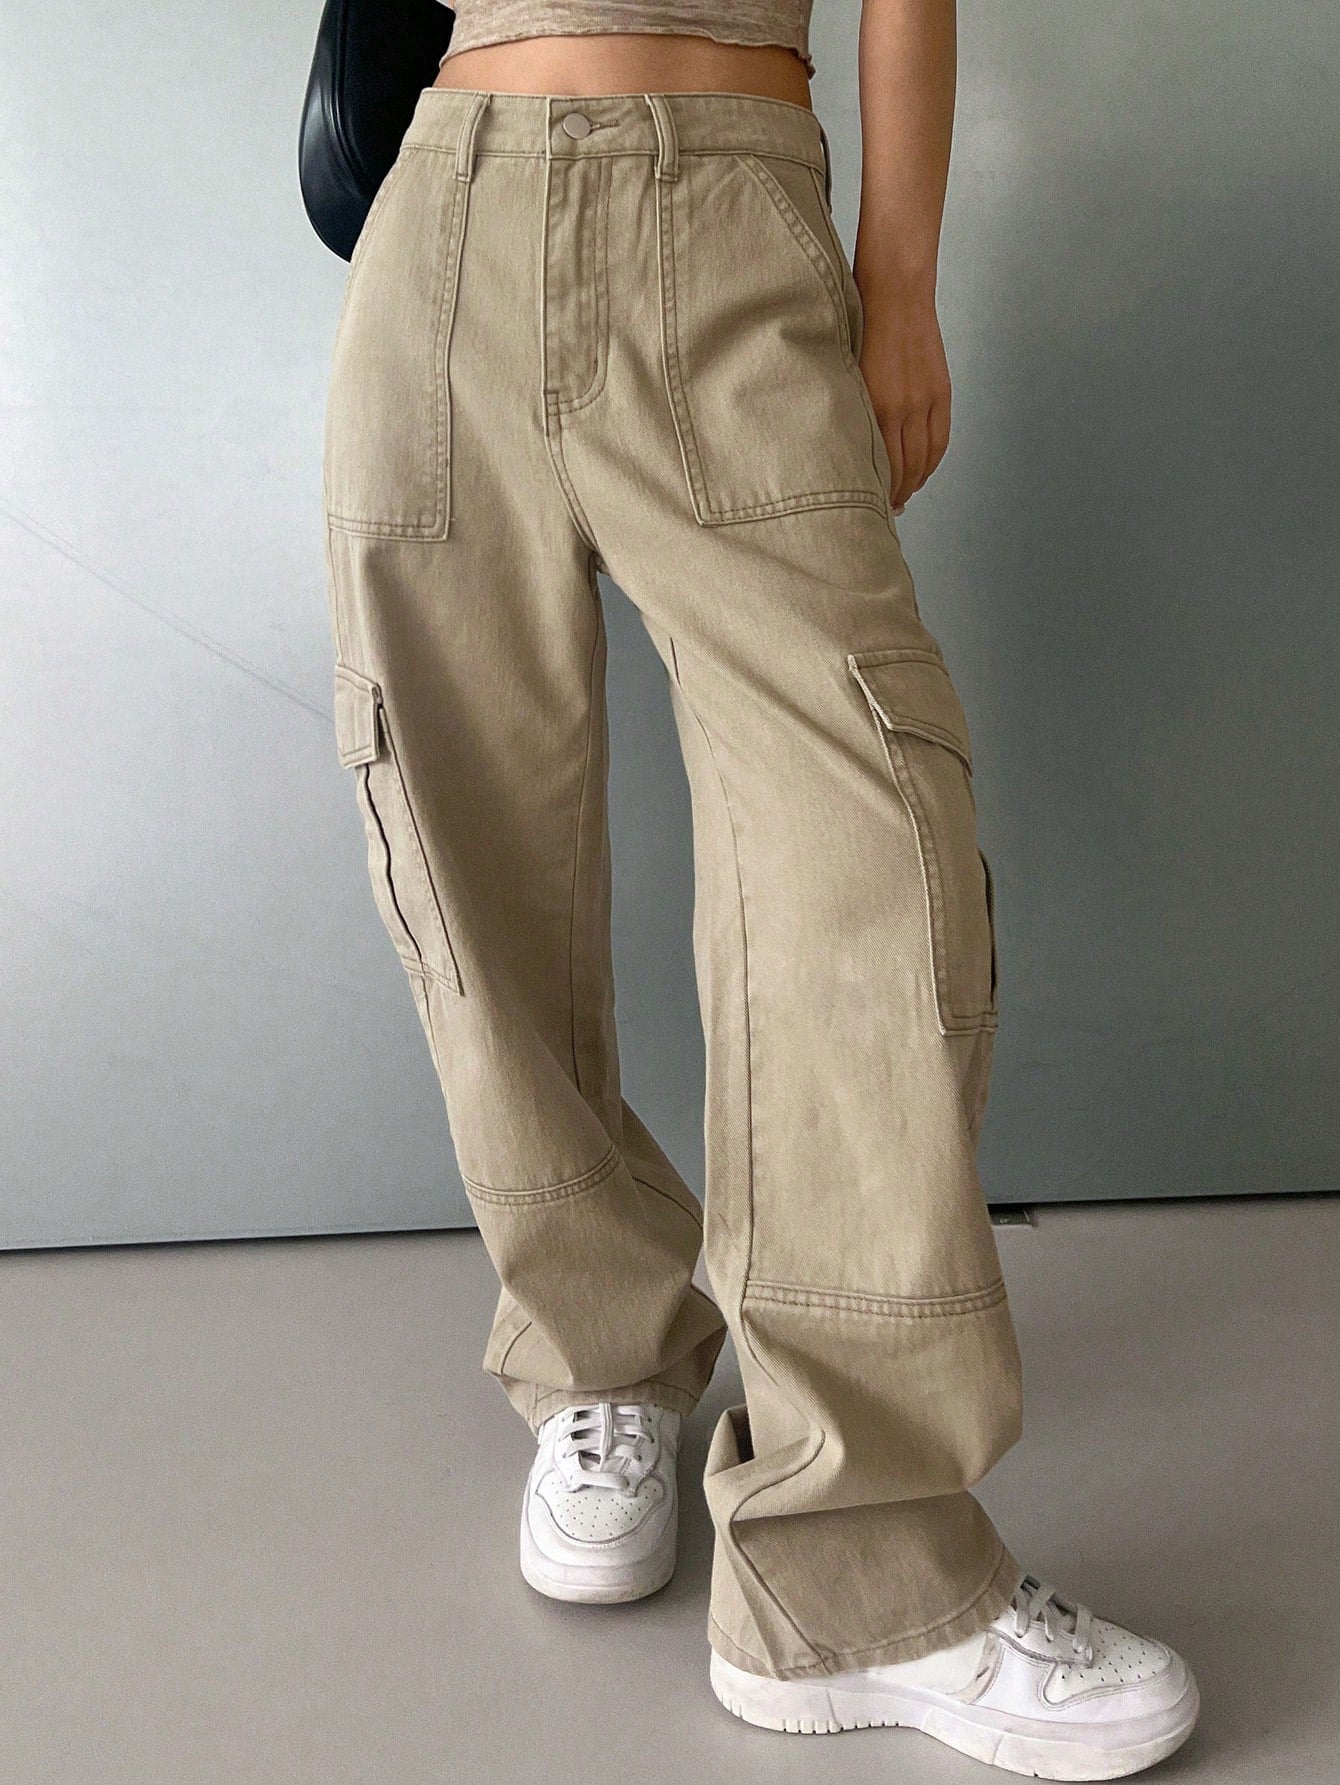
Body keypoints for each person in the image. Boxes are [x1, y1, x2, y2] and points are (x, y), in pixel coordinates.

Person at [320, 2, 1199, 1776]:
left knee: (866, 844)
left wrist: (899, 277)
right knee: (461, 839)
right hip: (444, 220)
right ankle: (602, 1353)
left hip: (723, 212)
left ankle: (855, 1561)